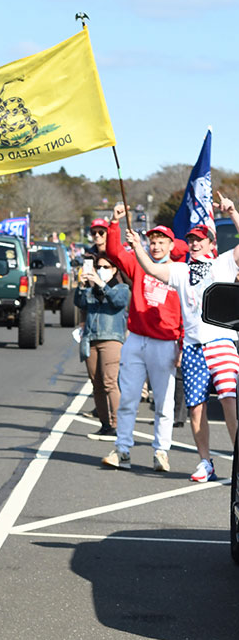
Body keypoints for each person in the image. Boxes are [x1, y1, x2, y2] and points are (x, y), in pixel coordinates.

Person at [125, 194, 239, 482]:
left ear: (212, 244)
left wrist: (233, 212)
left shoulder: (223, 264)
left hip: (221, 343)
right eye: (192, 239)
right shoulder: (180, 270)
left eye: (201, 239)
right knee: (196, 406)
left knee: (228, 399)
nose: (196, 243)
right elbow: (151, 268)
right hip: (192, 347)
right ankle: (205, 462)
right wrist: (138, 247)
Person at [101, 204, 187, 471]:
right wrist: (115, 223)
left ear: (171, 246)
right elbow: (114, 252)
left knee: (163, 401)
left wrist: (182, 344)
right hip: (137, 339)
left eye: (161, 242)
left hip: (165, 342)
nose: (156, 246)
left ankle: (161, 452)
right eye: (152, 241)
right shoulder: (139, 263)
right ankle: (122, 450)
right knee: (128, 397)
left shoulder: (180, 271)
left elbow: (188, 310)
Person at [75, 251, 129, 440]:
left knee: (109, 382)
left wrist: (100, 282)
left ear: (114, 269)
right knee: (96, 384)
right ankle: (105, 424)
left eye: (106, 267)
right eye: (99, 267)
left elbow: (118, 301)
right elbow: (79, 302)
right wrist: (81, 285)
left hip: (111, 339)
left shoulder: (120, 288)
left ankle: (117, 424)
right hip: (91, 339)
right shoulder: (91, 290)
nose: (101, 270)